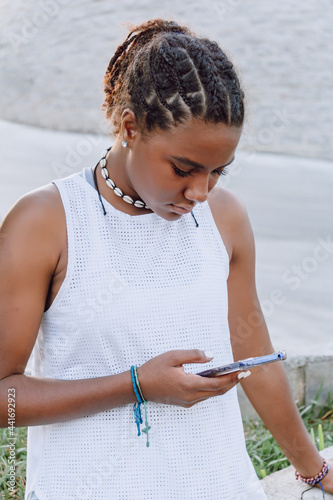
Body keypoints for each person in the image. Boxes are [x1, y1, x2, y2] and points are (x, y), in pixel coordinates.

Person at [0, 18, 332, 500]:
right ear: (130, 127)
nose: (199, 191)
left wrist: (313, 470)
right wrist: (136, 385)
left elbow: (255, 362)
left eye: (218, 171)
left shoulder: (226, 219)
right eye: (183, 169)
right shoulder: (46, 223)